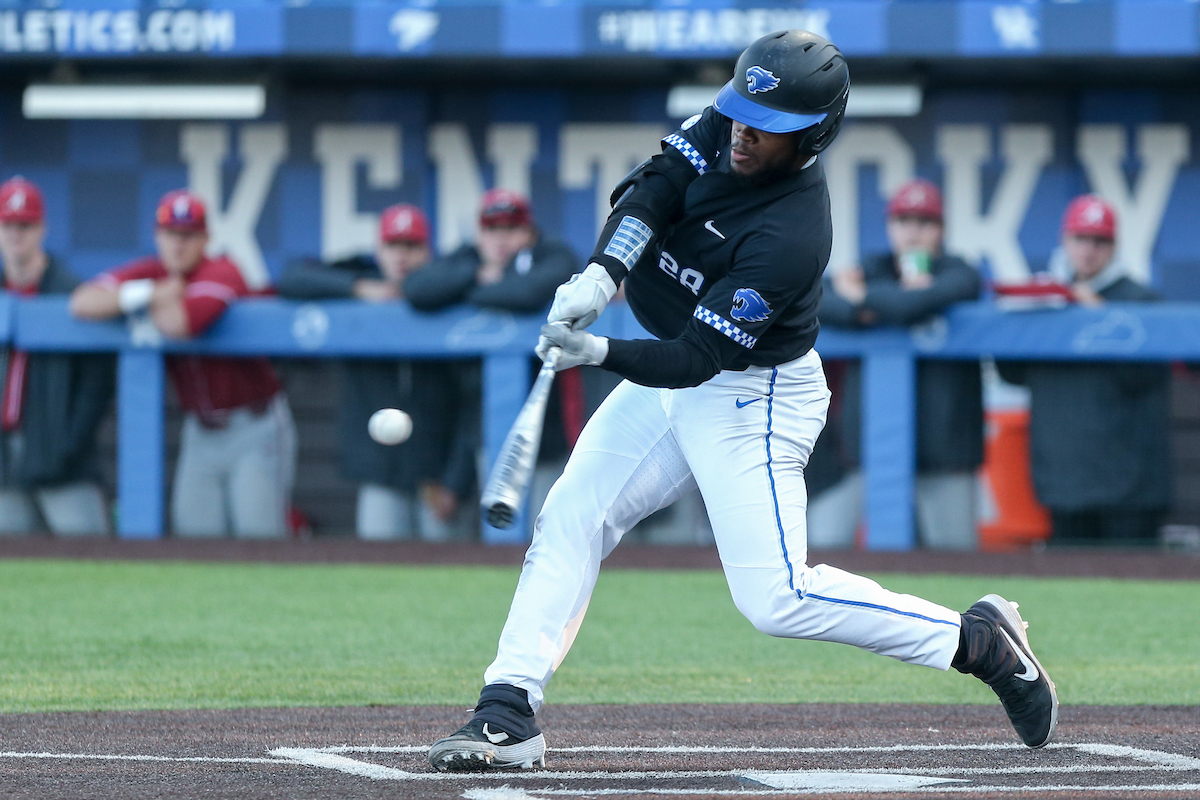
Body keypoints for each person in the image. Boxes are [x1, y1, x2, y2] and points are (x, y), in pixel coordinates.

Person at [427, 31, 1057, 773]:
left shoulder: (791, 234)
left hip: (750, 397)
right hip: (669, 380)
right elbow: (653, 189)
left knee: (776, 598)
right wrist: (602, 275)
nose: (746, 134)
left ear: (813, 137)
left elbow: (698, 359)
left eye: (770, 126)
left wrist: (597, 352)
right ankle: (508, 707)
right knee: (572, 513)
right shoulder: (728, 123)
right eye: (741, 113)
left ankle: (976, 642)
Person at [69, 189, 297, 538]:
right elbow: (82, 303)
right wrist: (148, 293)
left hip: (255, 424)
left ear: (205, 238)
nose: (178, 245)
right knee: (194, 538)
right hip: (201, 431)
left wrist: (141, 298)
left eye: (188, 236)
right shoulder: (154, 274)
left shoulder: (223, 269)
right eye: (171, 235)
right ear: (158, 236)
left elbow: (178, 324)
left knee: (260, 539)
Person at [814, 179, 984, 550]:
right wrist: (889, 300)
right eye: (904, 220)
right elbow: (816, 298)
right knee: (829, 554)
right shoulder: (873, 268)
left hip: (944, 454)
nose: (914, 231)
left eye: (925, 221)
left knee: (955, 564)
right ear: (891, 226)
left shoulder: (960, 271)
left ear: (940, 229)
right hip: (870, 455)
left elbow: (917, 304)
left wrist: (864, 300)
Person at [277, 204, 464, 540]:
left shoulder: (444, 288)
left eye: (412, 246)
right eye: (393, 246)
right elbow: (290, 278)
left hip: (436, 473)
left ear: (428, 251)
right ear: (379, 250)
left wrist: (456, 480)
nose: (401, 256)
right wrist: (359, 289)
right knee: (381, 567)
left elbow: (470, 401)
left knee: (447, 571)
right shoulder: (360, 273)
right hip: (380, 470)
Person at [404, 189, 581, 535]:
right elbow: (418, 290)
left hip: (550, 430)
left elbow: (529, 294)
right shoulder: (469, 259)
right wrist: (476, 277)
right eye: (491, 229)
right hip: (489, 428)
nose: (500, 238)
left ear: (529, 232)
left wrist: (470, 293)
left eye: (511, 228)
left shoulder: (551, 252)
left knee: (550, 531)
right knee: (499, 535)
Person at [997, 194, 1170, 544]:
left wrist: (1101, 318)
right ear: (1065, 241)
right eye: (1080, 239)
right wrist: (1021, 317)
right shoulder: (1044, 300)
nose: (1089, 250)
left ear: (1114, 246)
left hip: (1130, 488)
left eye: (1100, 241)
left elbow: (1148, 378)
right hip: (1064, 482)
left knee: (1136, 590)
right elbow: (1012, 373)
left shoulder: (1141, 300)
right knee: (1070, 586)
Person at [0, 176, 113, 536]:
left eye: (25, 225)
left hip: (62, 462)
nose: (16, 234)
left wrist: (67, 445)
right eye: (8, 225)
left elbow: (98, 382)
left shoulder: (71, 292)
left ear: (42, 228)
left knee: (90, 565)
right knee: (12, 571)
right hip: (4, 459)